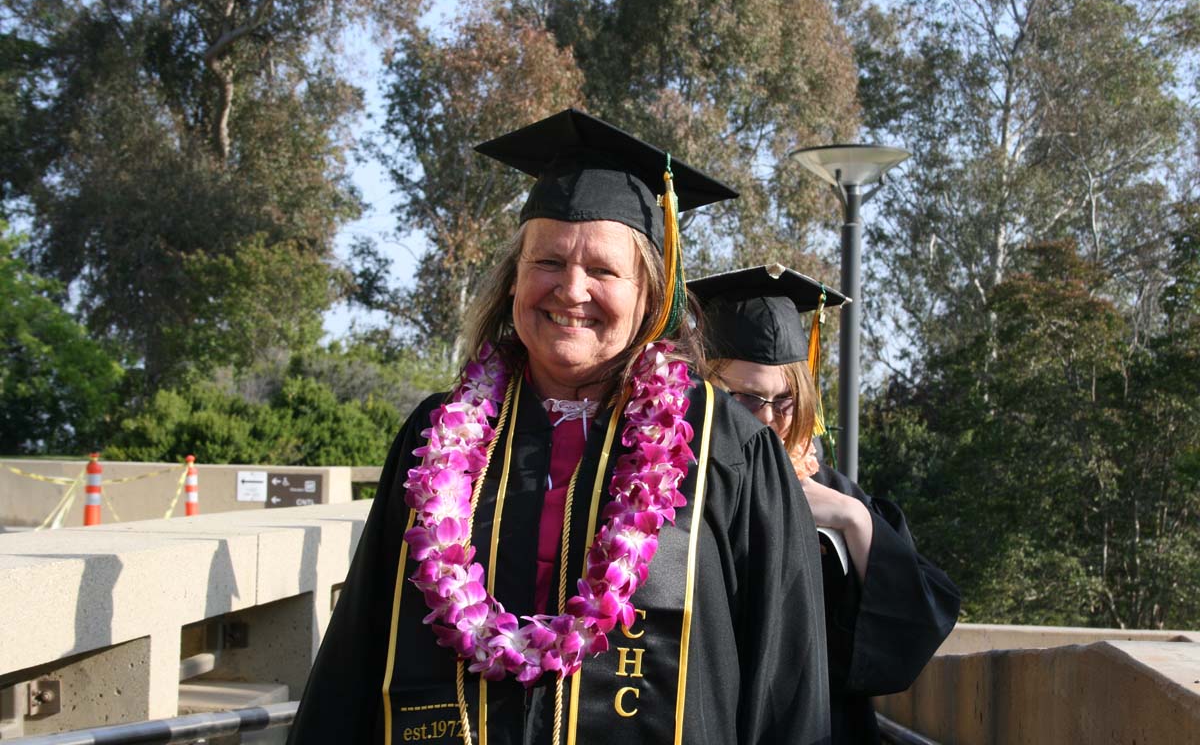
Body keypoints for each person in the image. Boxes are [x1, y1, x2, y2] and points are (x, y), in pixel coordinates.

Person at [287, 111, 831, 745]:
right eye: (547, 260)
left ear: (650, 294)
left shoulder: (727, 451)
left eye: (603, 270)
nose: (571, 290)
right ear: (514, 279)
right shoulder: (436, 438)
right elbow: (360, 647)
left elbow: (788, 684)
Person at [690, 263, 961, 745]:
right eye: (747, 399)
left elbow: (917, 627)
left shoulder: (833, 490)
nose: (770, 419)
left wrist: (854, 520)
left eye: (787, 400)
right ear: (705, 388)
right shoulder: (674, 488)